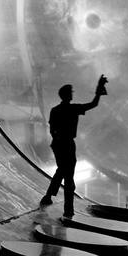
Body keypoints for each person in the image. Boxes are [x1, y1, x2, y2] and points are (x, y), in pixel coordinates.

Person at [40, 75, 107, 218]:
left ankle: (49, 197)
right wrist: (98, 90)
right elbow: (93, 104)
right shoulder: (74, 109)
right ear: (67, 95)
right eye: (70, 92)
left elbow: (52, 129)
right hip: (68, 144)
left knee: (62, 171)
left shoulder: (55, 110)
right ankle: (67, 209)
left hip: (58, 144)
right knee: (68, 176)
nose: (72, 95)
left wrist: (57, 138)